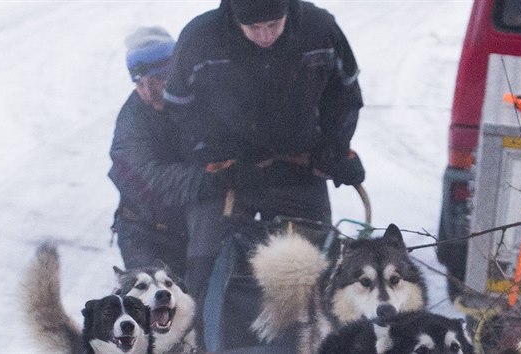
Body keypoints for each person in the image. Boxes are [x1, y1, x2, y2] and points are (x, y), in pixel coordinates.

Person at [162, 0, 365, 351]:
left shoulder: (319, 29)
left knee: (316, 267)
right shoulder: (201, 37)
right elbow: (180, 109)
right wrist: (217, 155)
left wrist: (334, 149)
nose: (265, 35)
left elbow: (345, 94)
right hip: (230, 173)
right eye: (254, 28)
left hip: (298, 167)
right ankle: (200, 344)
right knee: (206, 266)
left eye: (274, 24)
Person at [108, 26, 199, 278]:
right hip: (145, 233)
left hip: (197, 230)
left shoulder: (202, 101)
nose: (149, 93)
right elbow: (138, 175)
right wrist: (204, 179)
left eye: (158, 79)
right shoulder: (133, 118)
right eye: (140, 83)